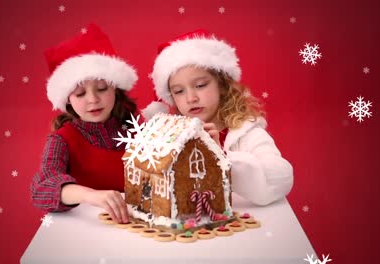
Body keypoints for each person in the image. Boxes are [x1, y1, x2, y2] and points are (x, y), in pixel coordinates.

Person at [143, 29, 293, 206]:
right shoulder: (170, 137)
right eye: (179, 91)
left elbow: (281, 178)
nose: (191, 98)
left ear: (222, 85)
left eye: (200, 85)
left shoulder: (246, 133)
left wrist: (221, 157)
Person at [31, 23, 138, 223]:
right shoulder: (62, 139)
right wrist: (90, 195)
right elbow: (43, 188)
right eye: (80, 93)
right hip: (87, 230)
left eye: (101, 88)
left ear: (115, 88)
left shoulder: (138, 127)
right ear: (67, 99)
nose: (93, 99)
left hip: (137, 227)